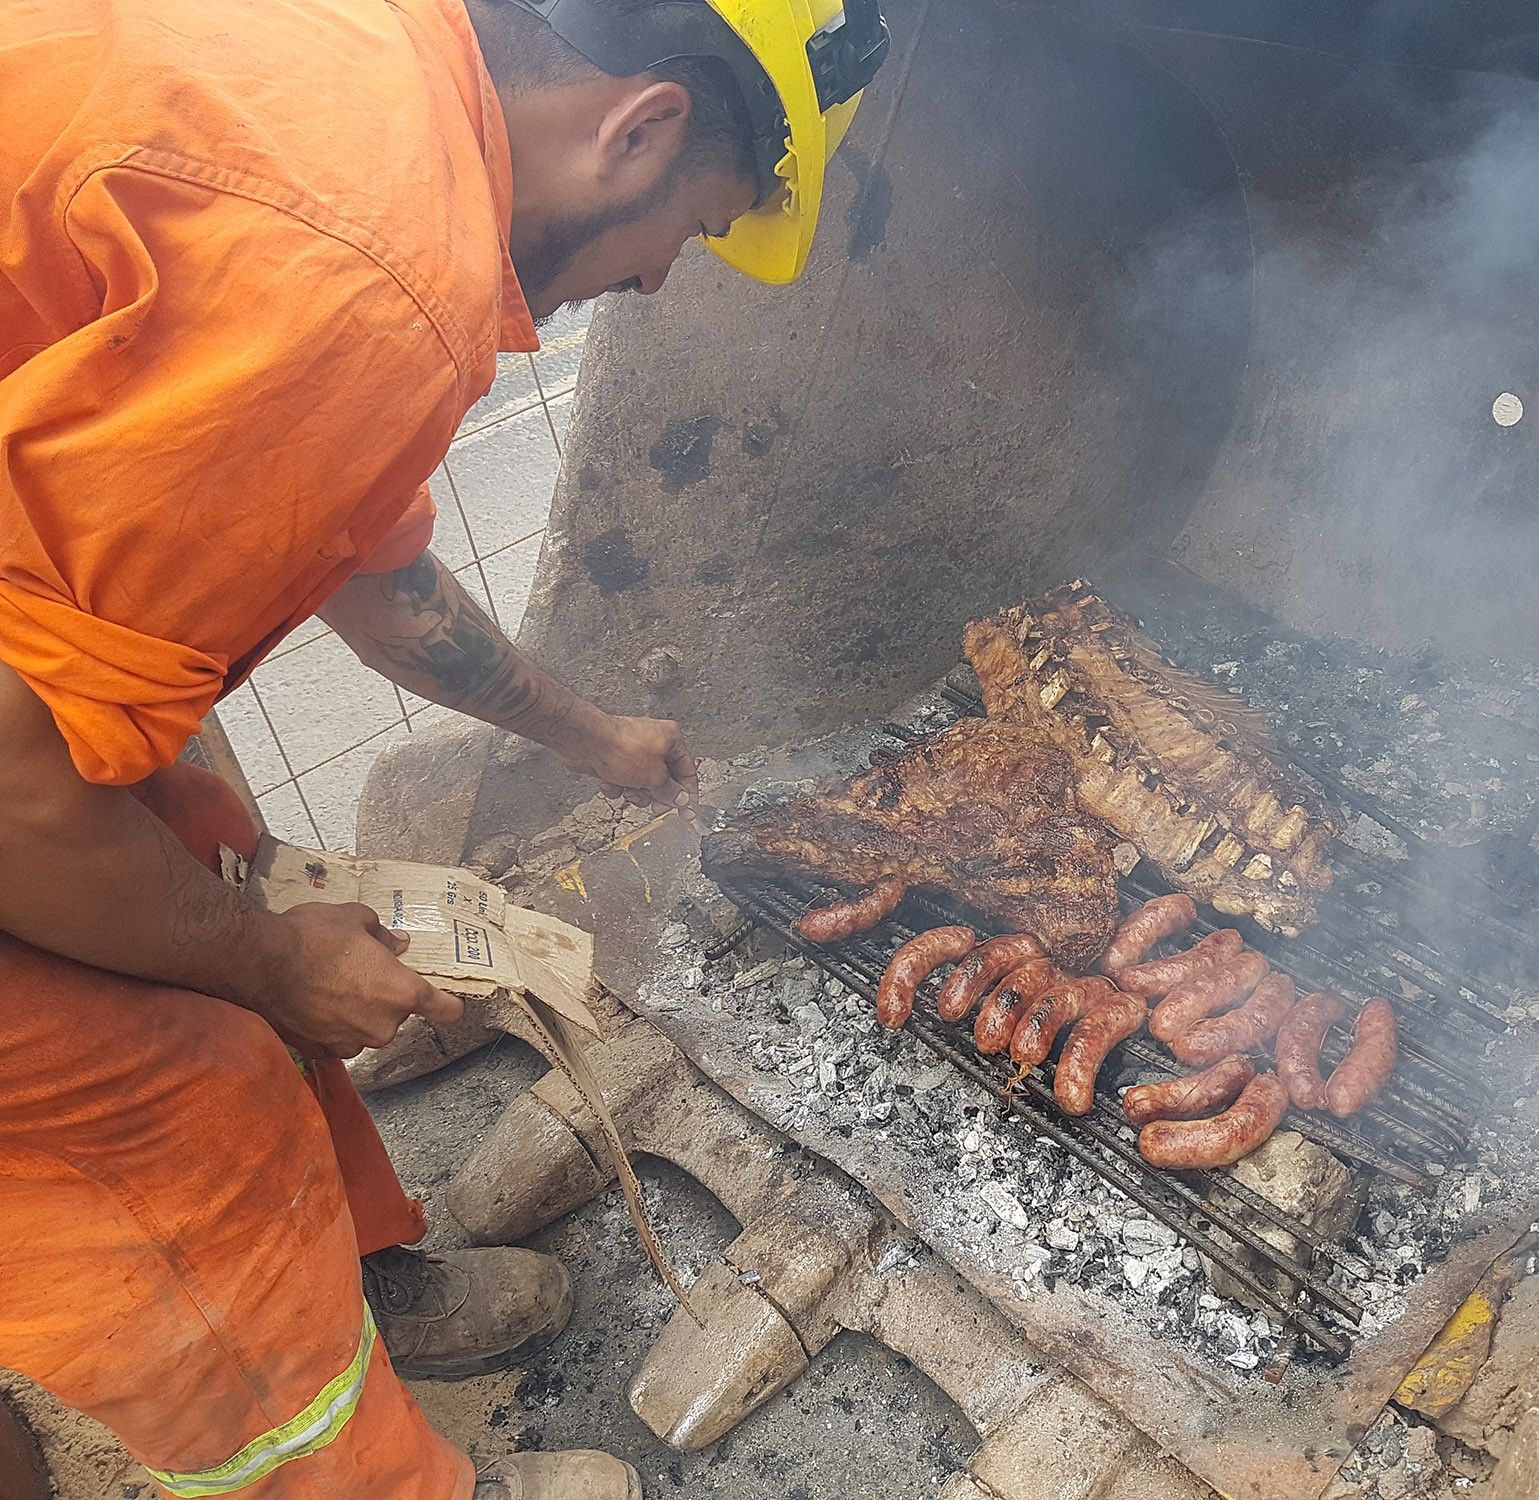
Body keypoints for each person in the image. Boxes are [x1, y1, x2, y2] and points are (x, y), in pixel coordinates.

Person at [0, 0, 886, 1495]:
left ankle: (362, 1288)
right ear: (643, 126)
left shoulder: (385, 87)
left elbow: (365, 566)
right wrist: (269, 968)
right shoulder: (365, 274)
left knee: (210, 858)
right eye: (695, 229)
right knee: (178, 1092)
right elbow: (10, 796)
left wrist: (592, 735)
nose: (665, 276)